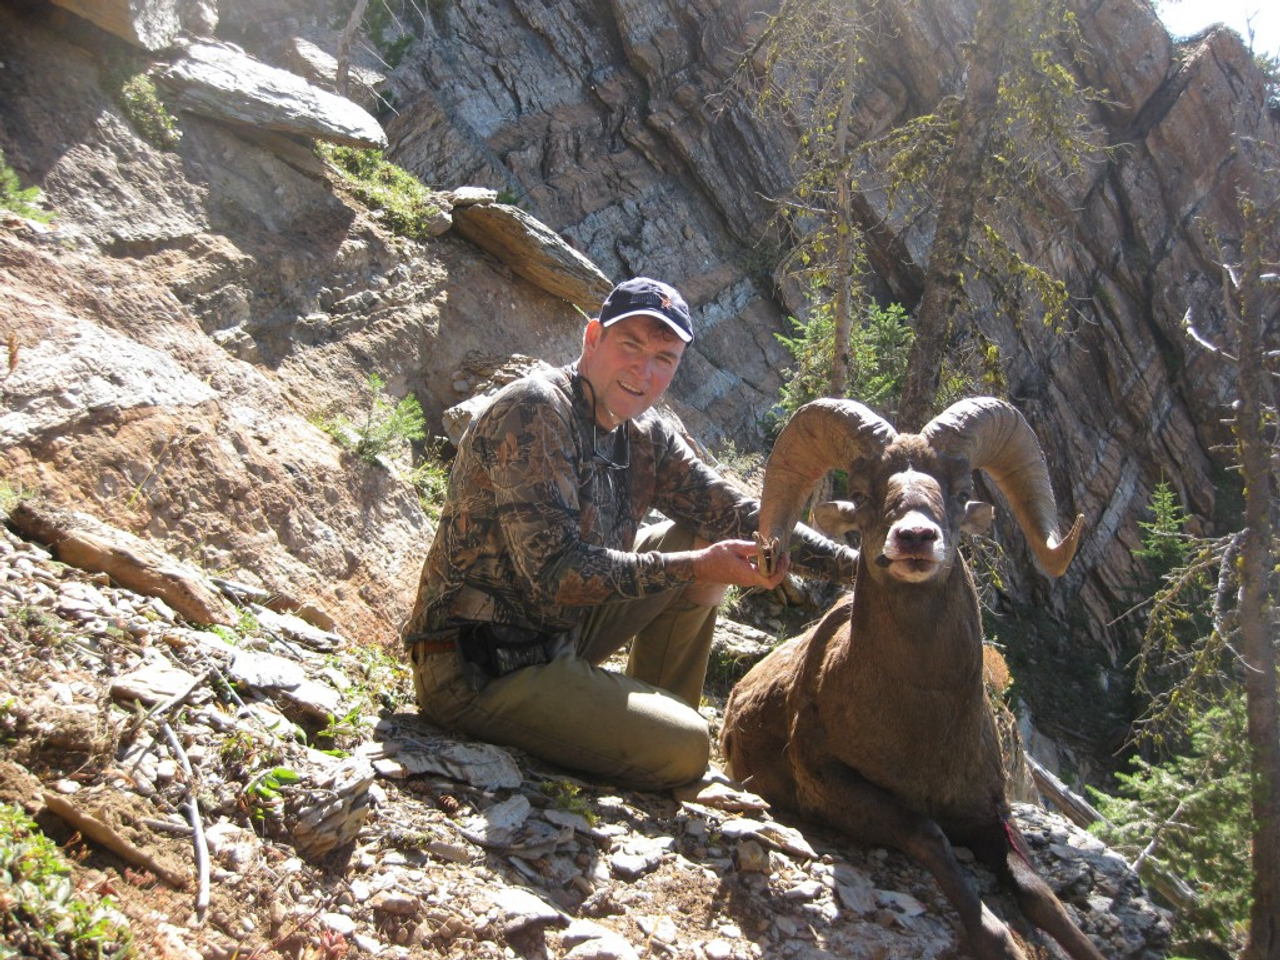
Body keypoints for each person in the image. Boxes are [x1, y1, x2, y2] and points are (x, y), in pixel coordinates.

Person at [401, 277, 857, 790]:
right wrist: (698, 566)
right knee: (688, 746)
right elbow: (556, 573)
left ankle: (649, 717)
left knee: (692, 535)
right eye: (630, 346)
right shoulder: (534, 412)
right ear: (592, 339)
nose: (643, 372)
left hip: (559, 637)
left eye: (664, 358)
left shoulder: (645, 436)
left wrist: (863, 568)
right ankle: (655, 742)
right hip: (477, 667)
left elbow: (737, 514)